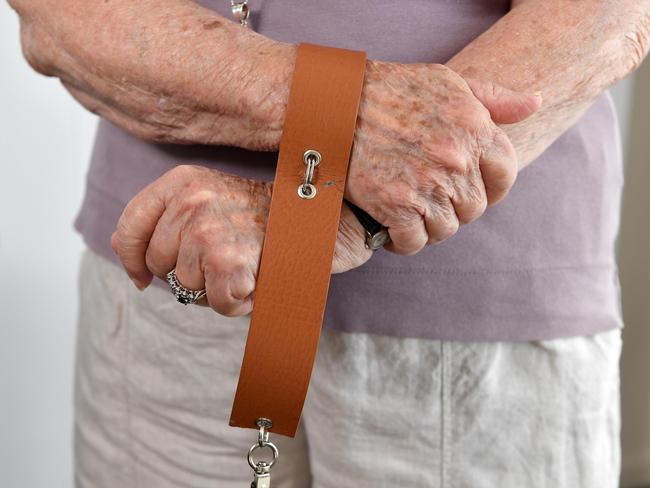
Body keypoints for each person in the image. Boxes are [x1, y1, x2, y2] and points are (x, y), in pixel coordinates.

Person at [8, 0, 650, 486]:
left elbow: (602, 15)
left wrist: (321, 215)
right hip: (177, 269)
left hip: (467, 313)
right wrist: (348, 112)